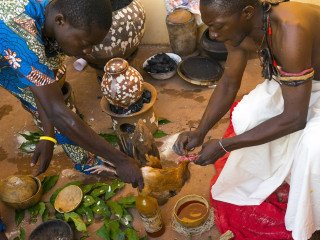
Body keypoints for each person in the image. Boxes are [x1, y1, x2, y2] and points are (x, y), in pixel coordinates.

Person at [173, 0, 320, 239]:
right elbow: (230, 82)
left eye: (218, 25)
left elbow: (295, 118)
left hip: (305, 88)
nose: (213, 33)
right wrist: (200, 131)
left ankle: (310, 221)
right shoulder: (239, 29)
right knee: (247, 115)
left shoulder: (292, 28)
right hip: (301, 83)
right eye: (209, 25)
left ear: (247, 13)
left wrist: (224, 145)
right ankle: (280, 172)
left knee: (313, 148)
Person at [0, 0, 144, 190]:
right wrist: (121, 160)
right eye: (85, 43)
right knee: (60, 112)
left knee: (53, 102)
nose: (88, 52)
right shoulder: (22, 35)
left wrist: (48, 135)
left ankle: (87, 160)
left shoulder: (54, 20)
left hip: (14, 50)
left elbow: (46, 87)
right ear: (60, 21)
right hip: (9, 40)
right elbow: (57, 111)